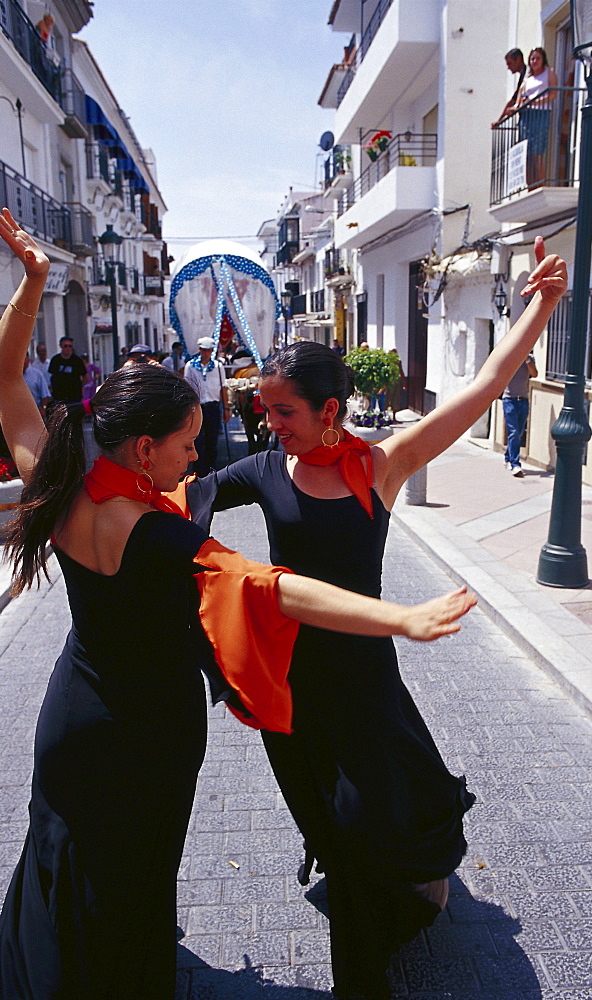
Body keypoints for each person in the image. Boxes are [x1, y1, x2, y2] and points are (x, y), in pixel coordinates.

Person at [0, 207, 476, 1000]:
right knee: (136, 860)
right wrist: (398, 617)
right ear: (144, 448)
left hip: (71, 714)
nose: (199, 458)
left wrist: (34, 284)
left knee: (67, 847)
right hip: (147, 728)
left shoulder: (58, 481)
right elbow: (278, 590)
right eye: (188, 444)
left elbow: (6, 378)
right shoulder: (155, 535)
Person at [186, 236, 567, 999]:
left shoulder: (378, 466)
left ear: (329, 410)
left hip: (362, 680)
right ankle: (351, 886)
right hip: (286, 686)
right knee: (324, 825)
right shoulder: (260, 470)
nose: (270, 425)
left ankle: (362, 973)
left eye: (283, 411)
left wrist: (541, 306)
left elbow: (488, 384)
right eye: (263, 410)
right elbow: (176, 506)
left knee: (365, 825)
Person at [184, 336, 230, 476]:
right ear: (199, 350)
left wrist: (226, 409)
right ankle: (198, 471)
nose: (206, 353)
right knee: (198, 440)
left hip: (213, 407)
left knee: (212, 439)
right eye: (204, 350)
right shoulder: (191, 366)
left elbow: (223, 387)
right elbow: (187, 388)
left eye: (209, 350)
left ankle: (211, 471)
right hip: (197, 407)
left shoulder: (217, 366)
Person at [515, 47, 558, 186]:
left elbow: (553, 93)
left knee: (538, 151)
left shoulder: (548, 73)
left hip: (540, 114)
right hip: (527, 117)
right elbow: (519, 101)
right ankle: (530, 186)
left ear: (543, 60)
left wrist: (535, 101)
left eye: (537, 58)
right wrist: (513, 109)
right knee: (527, 153)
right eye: (532, 58)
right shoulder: (527, 80)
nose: (534, 61)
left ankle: (540, 184)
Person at [502, 352, 537, 476]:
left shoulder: (530, 358)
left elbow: (534, 374)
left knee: (519, 432)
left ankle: (508, 457)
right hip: (509, 400)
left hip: (523, 400)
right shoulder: (509, 358)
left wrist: (527, 360)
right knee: (513, 432)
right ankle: (515, 464)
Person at [491, 47, 526, 127]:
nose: (508, 67)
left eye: (509, 63)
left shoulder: (526, 75)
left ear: (518, 59)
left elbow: (513, 100)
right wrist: (499, 120)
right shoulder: (523, 74)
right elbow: (514, 98)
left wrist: (499, 120)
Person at [48, 335, 86, 402]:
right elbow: (52, 376)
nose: (68, 348)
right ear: (61, 346)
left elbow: (85, 377)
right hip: (59, 396)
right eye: (65, 346)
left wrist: (81, 388)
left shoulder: (77, 361)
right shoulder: (55, 360)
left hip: (74, 396)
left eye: (70, 346)